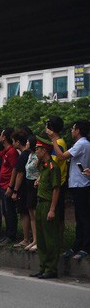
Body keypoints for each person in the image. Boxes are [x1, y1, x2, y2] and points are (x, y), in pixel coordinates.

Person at [47, 119, 90, 261]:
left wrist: (54, 139)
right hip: (78, 184)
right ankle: (77, 244)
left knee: (83, 218)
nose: (71, 131)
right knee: (79, 217)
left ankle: (85, 247)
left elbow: (61, 156)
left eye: (73, 128)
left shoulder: (82, 143)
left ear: (78, 130)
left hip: (81, 185)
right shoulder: (83, 144)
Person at [29, 137, 62, 279]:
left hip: (48, 204)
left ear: (44, 150)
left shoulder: (53, 167)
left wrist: (52, 209)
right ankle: (43, 267)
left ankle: (51, 268)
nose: (36, 151)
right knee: (41, 238)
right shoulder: (43, 167)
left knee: (50, 239)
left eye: (38, 149)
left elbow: (56, 189)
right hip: (40, 203)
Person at [0, 127, 18, 244]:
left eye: (1, 135)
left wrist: (11, 187)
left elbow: (15, 170)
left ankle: (11, 235)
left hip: (8, 186)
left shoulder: (12, 152)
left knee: (10, 211)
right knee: (5, 211)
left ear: (5, 137)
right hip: (3, 185)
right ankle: (7, 234)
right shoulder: (6, 151)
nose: (0, 137)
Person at [11, 130, 33, 248]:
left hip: (23, 189)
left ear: (18, 142)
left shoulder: (23, 155)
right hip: (29, 187)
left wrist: (15, 190)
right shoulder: (29, 153)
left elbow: (20, 174)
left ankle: (26, 239)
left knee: (24, 214)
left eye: (14, 141)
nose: (13, 143)